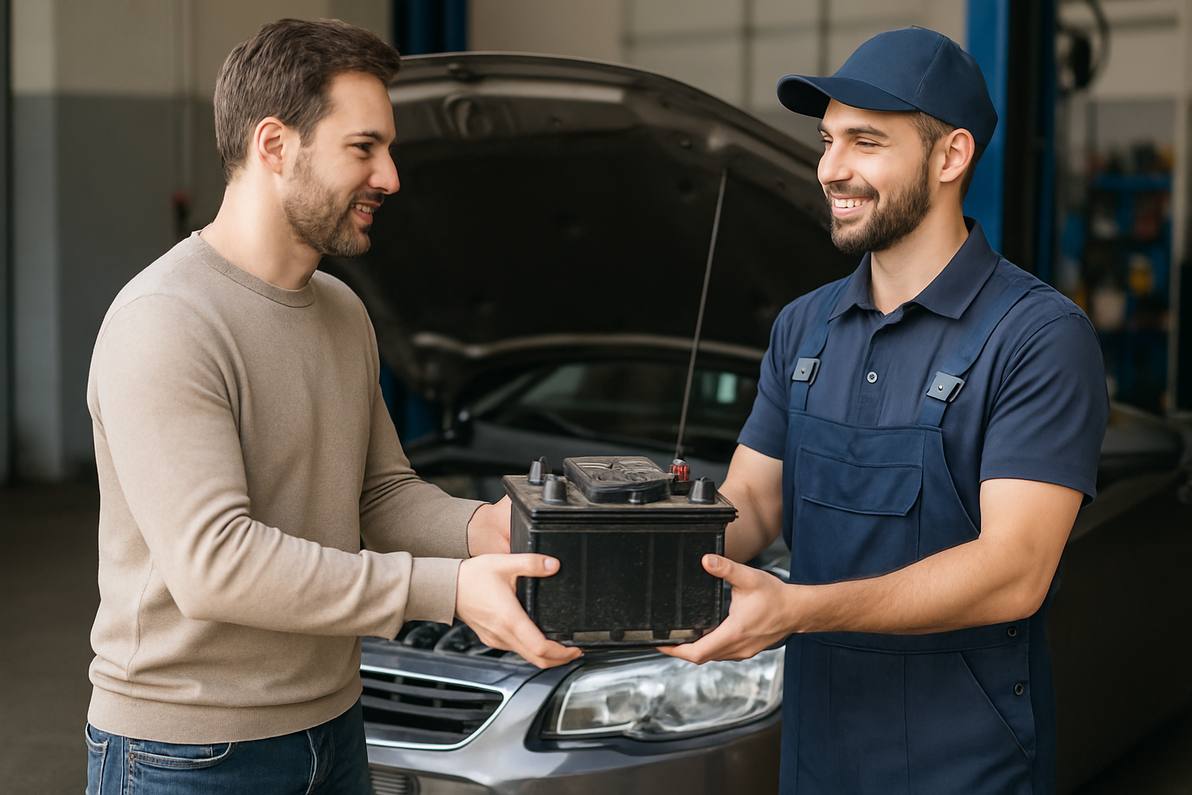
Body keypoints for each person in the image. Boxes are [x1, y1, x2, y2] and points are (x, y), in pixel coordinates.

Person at [83, 18, 579, 794]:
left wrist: (489, 527)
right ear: (275, 145)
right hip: (187, 752)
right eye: (364, 147)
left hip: (334, 726)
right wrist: (448, 588)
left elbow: (381, 494)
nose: (391, 177)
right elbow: (216, 563)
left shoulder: (343, 311)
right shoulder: (167, 319)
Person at [662, 26, 1108, 794]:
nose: (830, 168)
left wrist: (796, 608)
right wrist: (615, 546)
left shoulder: (1038, 336)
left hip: (965, 764)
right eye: (827, 140)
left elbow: (1013, 572)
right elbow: (752, 504)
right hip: (816, 752)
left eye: (865, 142)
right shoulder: (805, 326)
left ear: (951, 156)